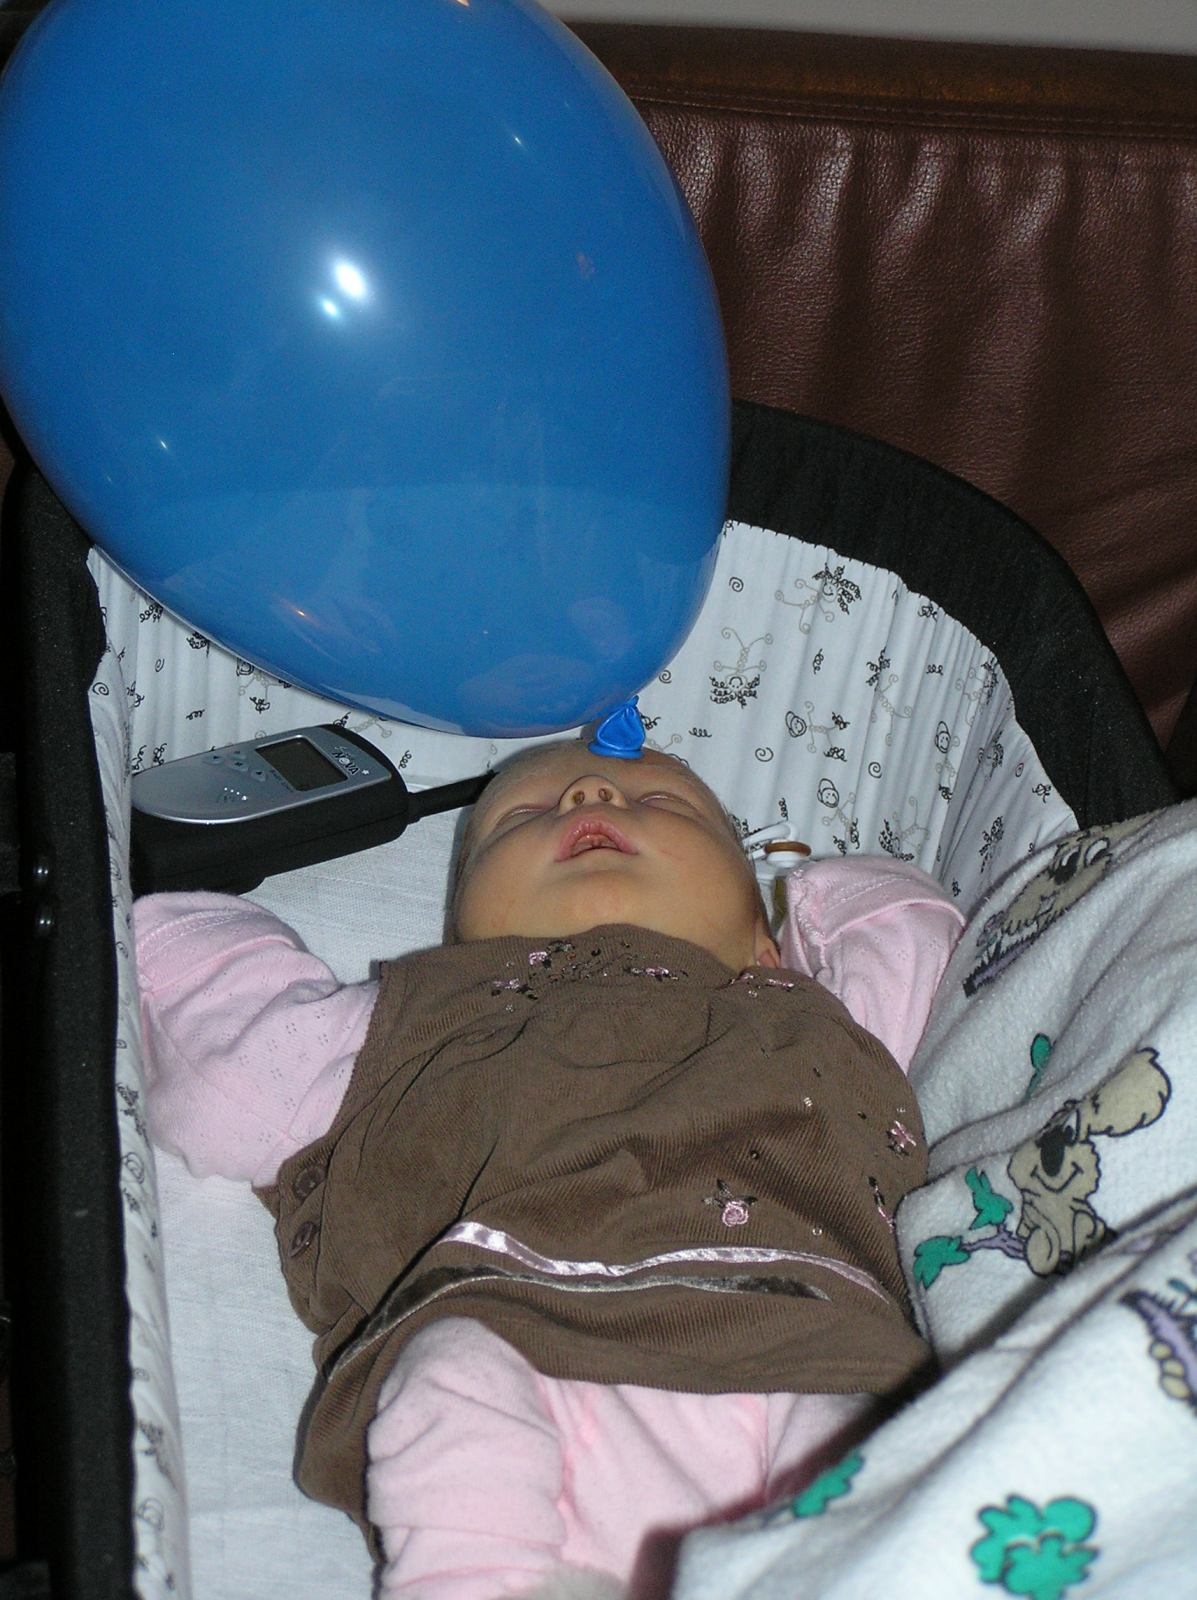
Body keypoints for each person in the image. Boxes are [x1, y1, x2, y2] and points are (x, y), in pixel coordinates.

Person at [136, 738, 963, 1600]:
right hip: (513, 1337)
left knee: (893, 1473)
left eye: (664, 803)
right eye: (521, 817)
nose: (590, 790)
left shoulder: (811, 1016)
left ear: (765, 944)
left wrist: (818, 894)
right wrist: (166, 906)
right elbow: (229, 1072)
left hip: (808, 1350)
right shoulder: (417, 1021)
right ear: (459, 935)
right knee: (451, 1375)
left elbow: (916, 954)